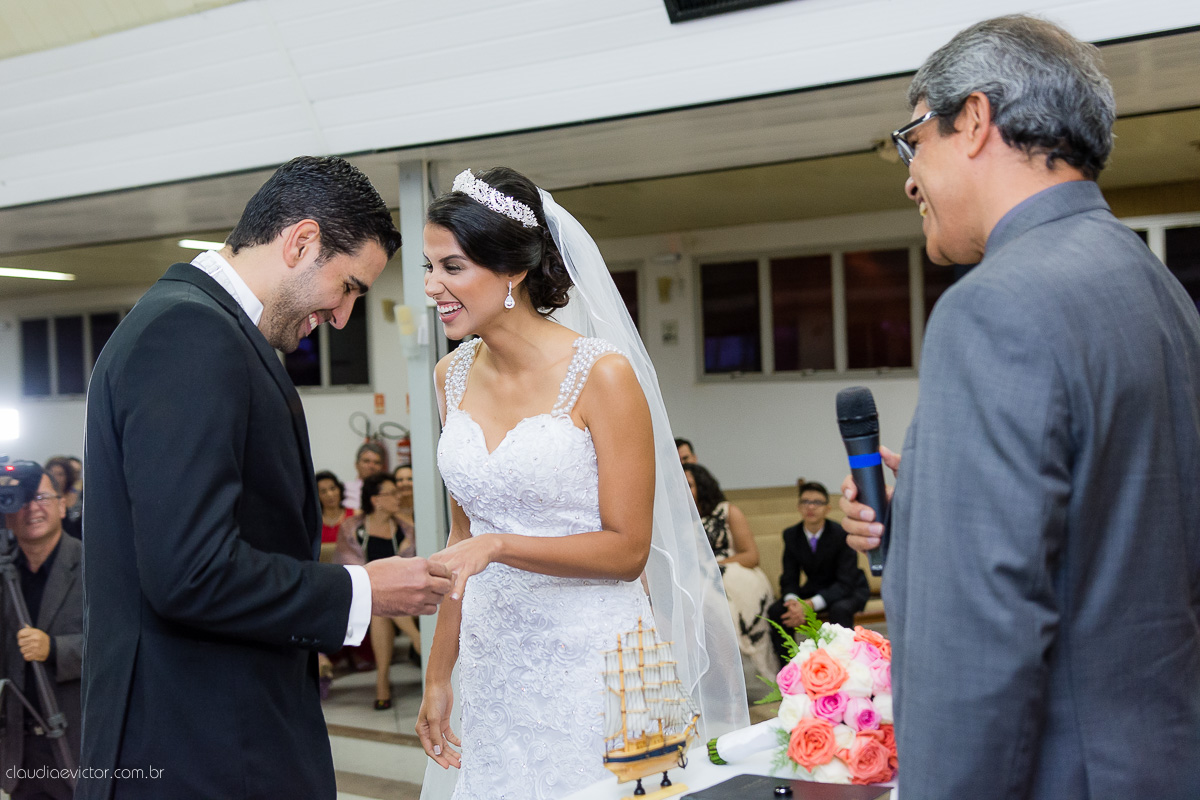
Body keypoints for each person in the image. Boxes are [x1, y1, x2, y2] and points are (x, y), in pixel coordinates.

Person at [838, 16, 1200, 799]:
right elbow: (1120, 543)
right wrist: (924, 530)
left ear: (973, 121)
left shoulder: (994, 307)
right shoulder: (1162, 293)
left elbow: (978, 640)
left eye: (913, 141)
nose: (909, 179)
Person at [80, 155, 454, 800]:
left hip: (216, 732)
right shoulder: (190, 334)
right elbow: (189, 572)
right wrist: (361, 590)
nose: (341, 317)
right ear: (301, 242)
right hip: (195, 747)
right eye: (349, 287)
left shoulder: (205, 327)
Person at [417, 167, 747, 799]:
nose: (433, 287)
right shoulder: (449, 377)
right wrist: (440, 675)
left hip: (593, 661)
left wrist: (502, 546)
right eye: (430, 269)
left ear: (509, 271)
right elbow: (463, 539)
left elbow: (626, 551)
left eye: (451, 268)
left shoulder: (603, 375)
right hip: (492, 662)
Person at [0, 466, 82, 800]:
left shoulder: (95, 566)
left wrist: (55, 649)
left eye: (41, 497)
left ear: (62, 505)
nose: (32, 507)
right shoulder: (5, 574)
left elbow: (122, 649)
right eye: (19, 500)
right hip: (19, 755)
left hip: (78, 746)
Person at [333, 473, 422, 709]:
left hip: (403, 592)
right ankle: (417, 638)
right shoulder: (353, 529)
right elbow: (348, 567)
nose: (398, 497)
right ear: (376, 499)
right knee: (378, 602)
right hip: (363, 592)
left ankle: (382, 681)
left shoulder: (406, 529)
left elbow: (413, 566)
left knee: (382, 604)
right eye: (392, 493)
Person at [682, 463, 776, 677]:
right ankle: (715, 678)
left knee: (717, 604)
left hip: (734, 574)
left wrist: (712, 566)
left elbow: (751, 556)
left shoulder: (727, 512)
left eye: (689, 485)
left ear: (703, 486)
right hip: (695, 581)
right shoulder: (676, 520)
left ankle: (738, 676)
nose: (684, 491)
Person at [766, 481, 868, 662]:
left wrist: (810, 605)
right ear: (799, 507)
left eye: (817, 503)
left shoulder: (841, 534)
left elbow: (845, 582)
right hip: (816, 588)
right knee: (777, 611)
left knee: (840, 609)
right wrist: (793, 603)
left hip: (849, 588)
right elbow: (789, 577)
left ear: (827, 508)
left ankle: (842, 664)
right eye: (806, 502)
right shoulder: (791, 535)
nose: (811, 507)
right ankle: (789, 669)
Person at [41, 458, 80, 540]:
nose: (55, 478)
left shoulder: (80, 497)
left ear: (68, 476)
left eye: (60, 474)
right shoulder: (42, 499)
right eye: (52, 474)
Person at [343, 442, 386, 512]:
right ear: (356, 465)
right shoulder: (345, 490)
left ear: (382, 467)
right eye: (366, 461)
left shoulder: (388, 491)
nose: (372, 466)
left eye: (376, 462)